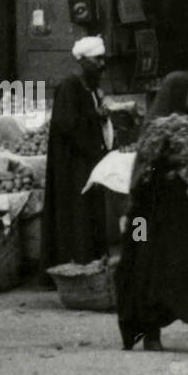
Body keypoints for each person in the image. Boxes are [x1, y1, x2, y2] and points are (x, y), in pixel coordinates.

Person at [116, 71, 188, 355]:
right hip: (157, 217)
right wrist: (169, 169)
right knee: (150, 271)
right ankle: (151, 334)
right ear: (177, 93)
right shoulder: (157, 127)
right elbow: (144, 174)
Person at [41, 36, 112, 270]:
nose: (102, 64)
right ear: (83, 61)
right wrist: (96, 117)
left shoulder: (87, 87)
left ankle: (90, 263)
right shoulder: (69, 86)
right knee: (77, 214)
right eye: (97, 59)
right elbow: (68, 123)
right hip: (73, 164)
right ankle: (77, 265)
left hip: (86, 159)